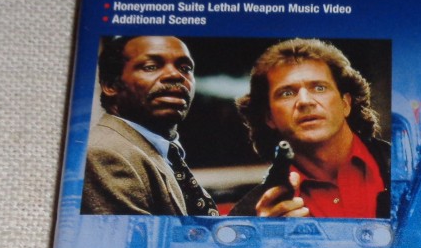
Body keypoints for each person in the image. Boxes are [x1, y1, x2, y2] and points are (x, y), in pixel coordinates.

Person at [232, 38, 389, 218]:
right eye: (287, 93)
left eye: (319, 88)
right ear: (269, 117)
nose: (305, 101)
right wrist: (262, 233)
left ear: (345, 104)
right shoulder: (247, 216)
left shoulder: (407, 168)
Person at [81, 35, 219, 216]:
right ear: (111, 85)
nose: (175, 75)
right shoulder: (104, 153)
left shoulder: (161, 152)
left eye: (185, 68)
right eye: (151, 67)